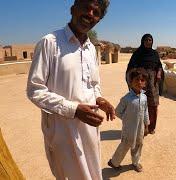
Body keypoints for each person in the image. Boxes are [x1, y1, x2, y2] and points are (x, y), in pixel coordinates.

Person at [26, 0, 115, 179]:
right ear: (73, 9)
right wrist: (73, 110)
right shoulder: (49, 43)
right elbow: (35, 90)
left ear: (98, 20)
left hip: (89, 130)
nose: (90, 14)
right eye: (86, 7)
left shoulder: (91, 48)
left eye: (96, 12)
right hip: (62, 134)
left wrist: (100, 100)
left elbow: (93, 84)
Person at [108, 68, 150, 172]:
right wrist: (127, 119)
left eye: (142, 80)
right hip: (129, 129)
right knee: (125, 145)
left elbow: (145, 112)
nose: (139, 82)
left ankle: (135, 162)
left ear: (145, 83)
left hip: (140, 128)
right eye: (136, 80)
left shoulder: (144, 97)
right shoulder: (126, 99)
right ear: (130, 82)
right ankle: (114, 162)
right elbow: (117, 112)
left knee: (138, 145)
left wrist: (146, 125)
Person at [126, 34, 163, 134]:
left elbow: (159, 65)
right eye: (146, 40)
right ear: (142, 41)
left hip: (153, 83)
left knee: (153, 105)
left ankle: (151, 127)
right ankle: (140, 127)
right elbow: (131, 68)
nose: (148, 41)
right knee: (139, 103)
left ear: (152, 41)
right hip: (141, 81)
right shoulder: (138, 53)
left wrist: (159, 73)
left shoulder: (154, 53)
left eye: (150, 40)